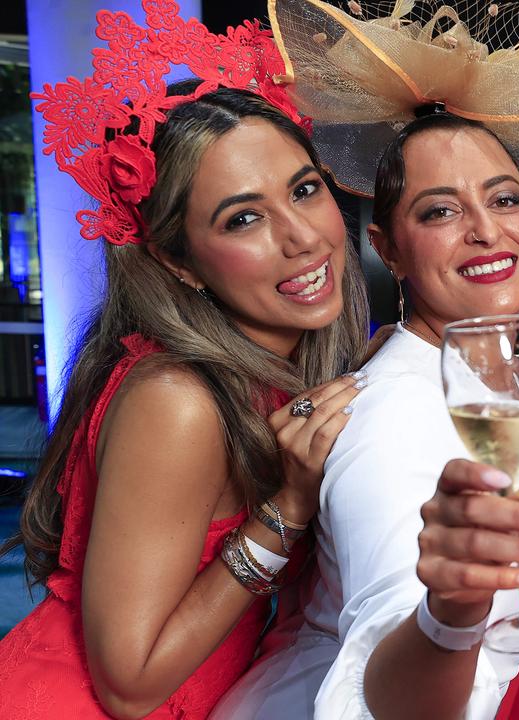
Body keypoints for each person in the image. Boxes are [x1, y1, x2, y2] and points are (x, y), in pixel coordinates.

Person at [212, 4, 519, 718]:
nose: (487, 230)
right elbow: (383, 689)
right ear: (389, 247)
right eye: (440, 211)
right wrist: (447, 614)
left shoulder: (483, 377)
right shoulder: (387, 422)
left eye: (504, 199)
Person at [0, 3, 369, 718]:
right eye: (243, 218)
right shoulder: (178, 400)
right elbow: (130, 685)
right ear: (179, 261)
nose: (301, 238)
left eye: (304, 190)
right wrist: (284, 509)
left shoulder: (268, 373)